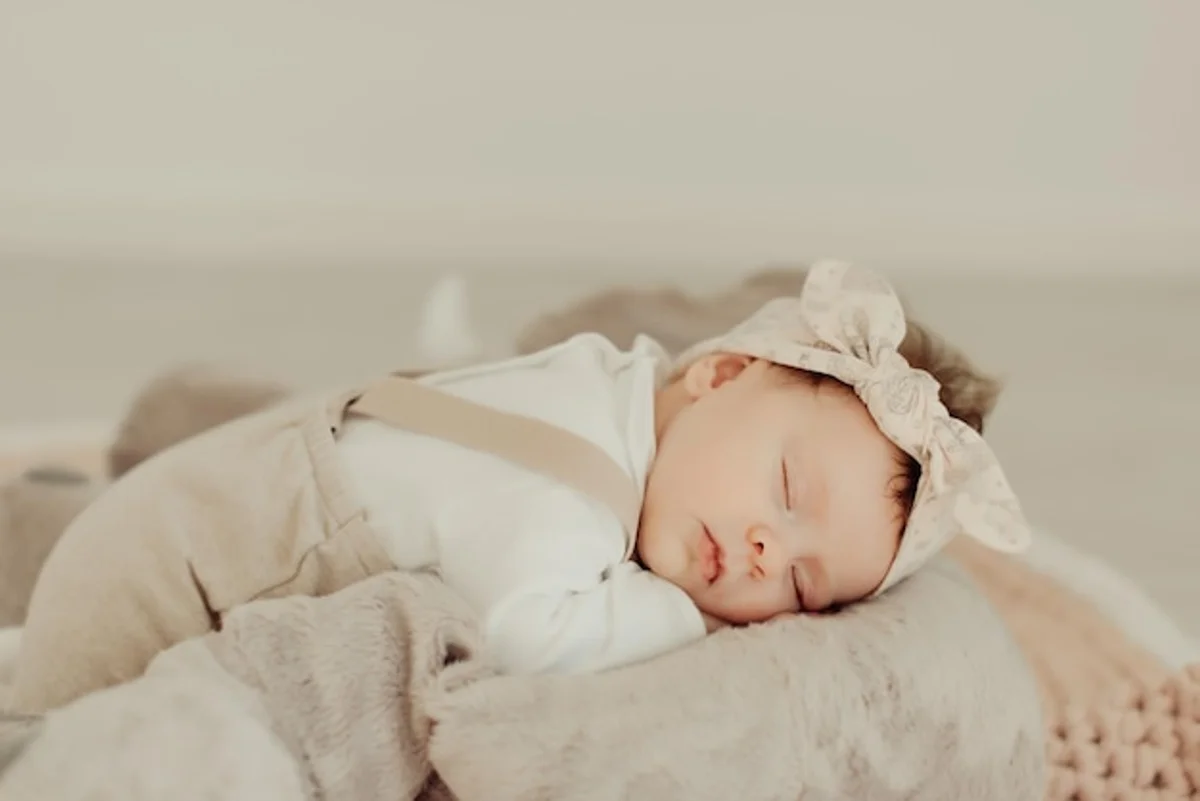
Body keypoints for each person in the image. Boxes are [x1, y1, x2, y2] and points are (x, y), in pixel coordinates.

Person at [9, 260, 1030, 714]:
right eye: (784, 488)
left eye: (804, 588)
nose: (767, 551)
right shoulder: (567, 485)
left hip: (199, 511)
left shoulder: (612, 383)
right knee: (66, 743)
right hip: (164, 580)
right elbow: (529, 636)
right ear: (718, 374)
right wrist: (685, 616)